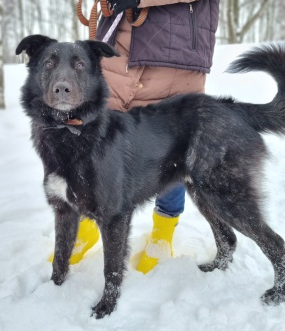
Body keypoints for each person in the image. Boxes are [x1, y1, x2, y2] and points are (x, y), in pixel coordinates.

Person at [50, 0, 220, 273]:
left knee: (171, 151)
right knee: (94, 143)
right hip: (117, 50)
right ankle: (86, 227)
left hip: (174, 56)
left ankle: (162, 236)